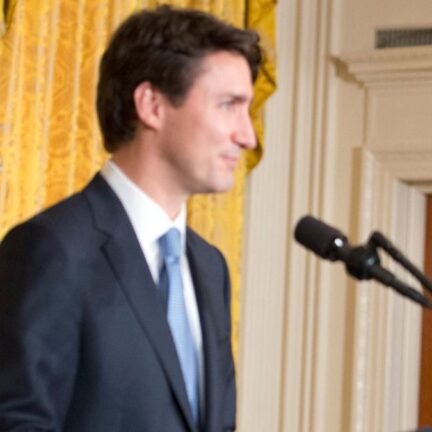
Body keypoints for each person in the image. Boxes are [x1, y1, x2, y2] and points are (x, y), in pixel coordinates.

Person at [0, 5, 260, 431]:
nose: (247, 135)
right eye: (229, 105)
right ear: (152, 104)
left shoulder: (211, 267)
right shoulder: (50, 249)